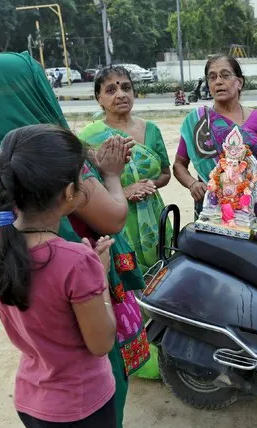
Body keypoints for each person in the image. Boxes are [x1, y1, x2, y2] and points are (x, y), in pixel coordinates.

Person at [0, 52, 149, 428]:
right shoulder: (53, 157)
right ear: (69, 194)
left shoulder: (5, 161)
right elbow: (112, 219)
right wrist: (109, 175)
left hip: (36, 394)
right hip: (85, 387)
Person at [0, 124, 117, 428]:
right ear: (70, 192)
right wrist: (101, 279)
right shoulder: (76, 262)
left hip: (32, 399)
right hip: (81, 408)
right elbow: (101, 343)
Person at [173, 54, 257, 231]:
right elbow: (179, 165)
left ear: (239, 82)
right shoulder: (197, 121)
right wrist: (192, 184)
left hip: (251, 210)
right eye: (212, 77)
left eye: (225, 75)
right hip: (211, 210)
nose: (218, 81)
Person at [79, 66, 172, 276]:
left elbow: (165, 173)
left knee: (160, 277)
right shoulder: (88, 137)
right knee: (126, 283)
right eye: (111, 90)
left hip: (154, 216)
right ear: (99, 98)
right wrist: (124, 190)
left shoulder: (151, 130)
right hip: (116, 219)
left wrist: (150, 184)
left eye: (126, 88)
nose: (121, 94)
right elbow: (85, 186)